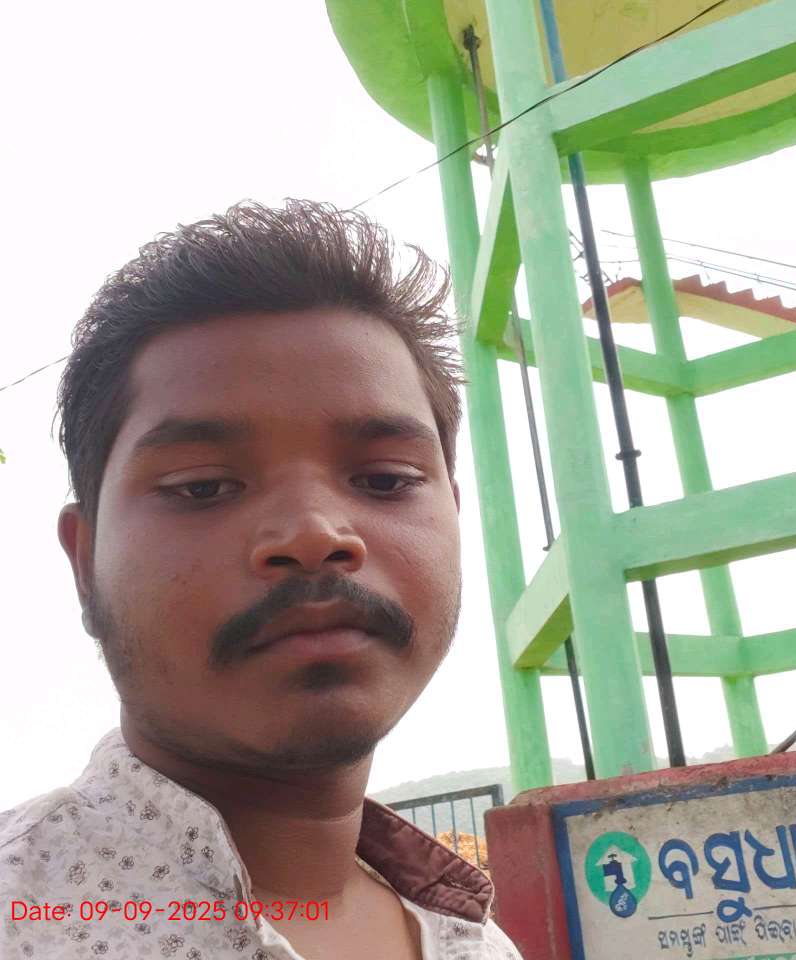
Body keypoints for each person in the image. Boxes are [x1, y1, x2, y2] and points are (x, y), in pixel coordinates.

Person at [0, 200, 523, 960]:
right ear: (85, 564)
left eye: (384, 479)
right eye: (203, 487)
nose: (315, 534)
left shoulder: (480, 944)